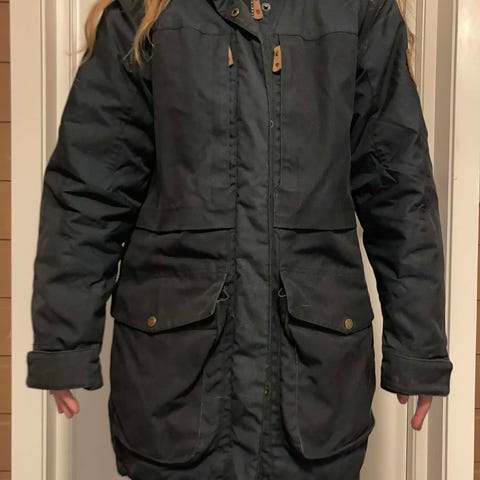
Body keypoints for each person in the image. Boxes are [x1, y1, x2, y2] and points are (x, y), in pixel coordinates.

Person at [25, 0, 453, 479]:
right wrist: (63, 341)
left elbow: (398, 187)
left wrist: (419, 347)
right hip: (178, 390)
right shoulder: (145, 13)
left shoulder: (357, 10)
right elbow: (90, 188)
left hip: (312, 388)